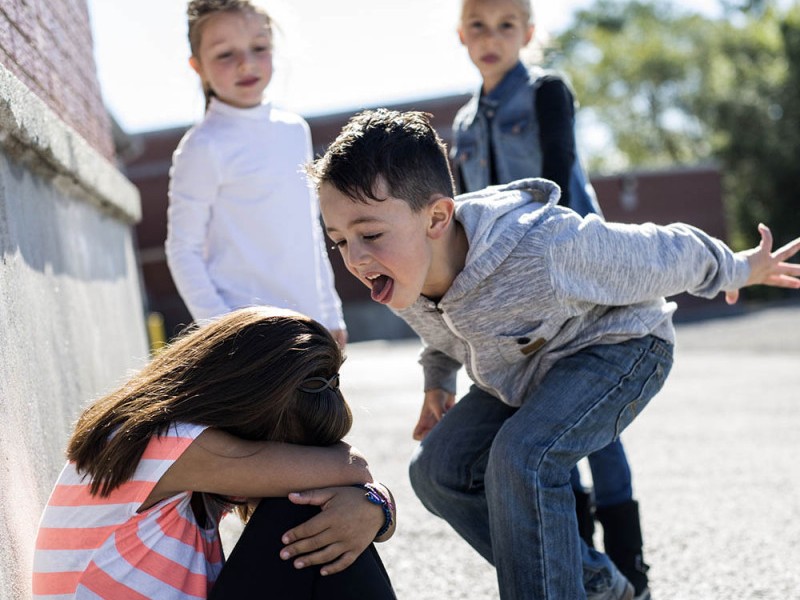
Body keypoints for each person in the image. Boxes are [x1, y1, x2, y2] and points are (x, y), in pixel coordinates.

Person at [308, 109, 800, 600]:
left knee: (523, 456)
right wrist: (438, 381)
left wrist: (738, 268)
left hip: (620, 347)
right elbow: (441, 331)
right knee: (436, 471)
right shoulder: (404, 274)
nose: (355, 257)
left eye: (369, 234)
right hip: (526, 368)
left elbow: (660, 251)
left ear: (437, 216)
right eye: (339, 242)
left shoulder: (542, 247)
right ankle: (594, 584)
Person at [450, 0, 647, 595]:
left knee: (597, 428)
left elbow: (560, 174)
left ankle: (632, 572)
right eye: (478, 26)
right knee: (544, 421)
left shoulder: (545, 92)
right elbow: (468, 216)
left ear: (528, 33)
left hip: (578, 275)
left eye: (506, 26)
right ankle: (585, 567)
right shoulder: (460, 125)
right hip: (512, 296)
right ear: (461, 35)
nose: (492, 38)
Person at [31, 307, 398, 600]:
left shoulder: (181, 451)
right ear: (249, 407)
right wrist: (374, 501)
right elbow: (354, 468)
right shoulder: (167, 441)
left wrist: (373, 507)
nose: (290, 463)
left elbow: (349, 479)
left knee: (321, 511)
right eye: (285, 449)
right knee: (303, 507)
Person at [166, 0, 346, 346]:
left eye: (259, 48)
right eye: (224, 54)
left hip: (312, 327)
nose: (246, 63)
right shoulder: (202, 146)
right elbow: (182, 249)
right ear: (197, 66)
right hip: (249, 340)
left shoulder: (294, 130)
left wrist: (331, 313)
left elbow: (309, 231)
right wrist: (222, 331)